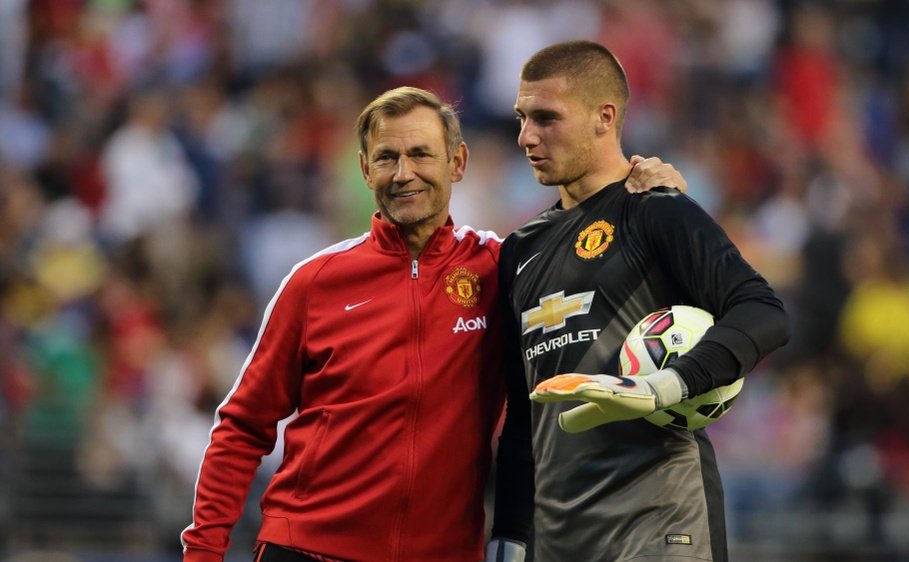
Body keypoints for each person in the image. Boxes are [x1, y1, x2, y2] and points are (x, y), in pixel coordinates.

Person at [180, 86, 687, 562]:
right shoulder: (314, 283)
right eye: (386, 158)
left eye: (421, 154)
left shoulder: (502, 268)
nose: (404, 173)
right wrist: (203, 552)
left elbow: (598, 262)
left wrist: (648, 200)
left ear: (457, 162)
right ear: (364, 169)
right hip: (308, 548)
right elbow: (242, 427)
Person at [489, 41, 791, 562]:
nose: (525, 137)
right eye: (521, 118)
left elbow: (762, 312)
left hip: (661, 525)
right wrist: (509, 541)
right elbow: (524, 416)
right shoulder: (520, 250)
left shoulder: (656, 211)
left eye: (545, 118)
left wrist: (662, 386)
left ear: (604, 117)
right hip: (560, 538)